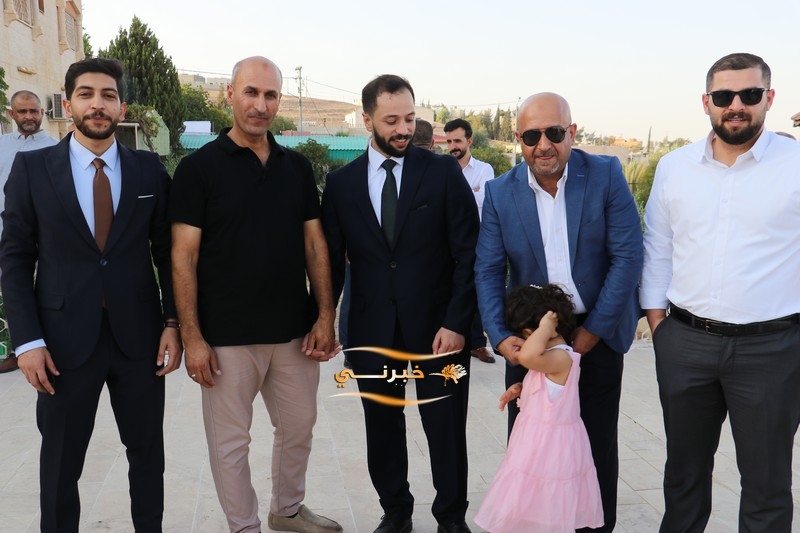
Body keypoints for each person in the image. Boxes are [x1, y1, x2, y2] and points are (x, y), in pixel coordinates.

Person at [0, 57, 181, 532]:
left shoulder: (148, 170)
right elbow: (15, 259)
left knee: (148, 456)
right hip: (60, 345)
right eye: (86, 94)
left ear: (121, 107)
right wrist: (27, 342)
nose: (97, 104)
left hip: (139, 341)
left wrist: (172, 322)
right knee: (61, 464)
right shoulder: (33, 169)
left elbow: (168, 253)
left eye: (108, 95)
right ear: (68, 104)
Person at [170, 56, 342, 533]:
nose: (260, 105)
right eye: (251, 92)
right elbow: (182, 257)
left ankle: (286, 510)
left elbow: (315, 245)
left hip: (293, 332)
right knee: (230, 443)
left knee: (299, 427)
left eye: (270, 95)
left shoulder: (296, 167)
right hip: (225, 336)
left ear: (279, 100)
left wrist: (325, 315)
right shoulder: (198, 169)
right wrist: (192, 337)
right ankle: (244, 526)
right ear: (230, 95)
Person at [641, 52, 800, 532]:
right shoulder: (675, 167)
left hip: (773, 350)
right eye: (724, 96)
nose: (736, 105)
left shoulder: (795, 165)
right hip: (685, 343)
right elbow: (658, 247)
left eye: (749, 94)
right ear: (706, 102)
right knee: (683, 476)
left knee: (767, 485)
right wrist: (659, 326)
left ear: (769, 98)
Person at [474, 92, 642, 532]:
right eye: (532, 136)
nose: (543, 145)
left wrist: (592, 333)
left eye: (553, 132)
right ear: (518, 139)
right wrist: (499, 336)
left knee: (596, 447)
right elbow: (488, 269)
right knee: (531, 450)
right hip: (532, 340)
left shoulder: (605, 174)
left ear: (572, 132)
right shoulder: (499, 192)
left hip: (597, 333)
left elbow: (628, 257)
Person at [321, 74, 479, 533]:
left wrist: (457, 322)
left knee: (446, 429)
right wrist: (324, 320)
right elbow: (329, 263)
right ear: (367, 119)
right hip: (371, 331)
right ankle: (396, 512)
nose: (404, 129)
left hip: (440, 333)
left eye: (410, 118)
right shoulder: (341, 184)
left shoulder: (443, 172)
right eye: (391, 120)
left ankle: (451, 517)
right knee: (382, 428)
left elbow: (470, 253)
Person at [474, 284, 603, 532]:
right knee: (527, 497)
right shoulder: (549, 355)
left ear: (529, 332)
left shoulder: (562, 356)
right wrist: (523, 387)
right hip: (534, 442)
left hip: (551, 449)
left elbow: (527, 357)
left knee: (546, 499)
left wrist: (544, 328)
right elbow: (548, 387)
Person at [0, 90, 57, 374]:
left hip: (40, 238)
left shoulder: (55, 149)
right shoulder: (1, 146)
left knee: (37, 290)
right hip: (4, 233)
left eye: (34, 111)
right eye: (22, 111)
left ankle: (37, 344)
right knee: (8, 290)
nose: (29, 116)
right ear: (11, 114)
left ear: (42, 113)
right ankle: (9, 349)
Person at [444, 118, 495, 364]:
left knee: (476, 288)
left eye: (457, 141)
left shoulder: (484, 169)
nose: (452, 146)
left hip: (479, 239)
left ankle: (477, 343)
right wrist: (471, 192)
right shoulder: (442, 169)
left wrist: (460, 197)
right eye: (449, 141)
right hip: (448, 241)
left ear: (470, 141)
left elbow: (486, 199)